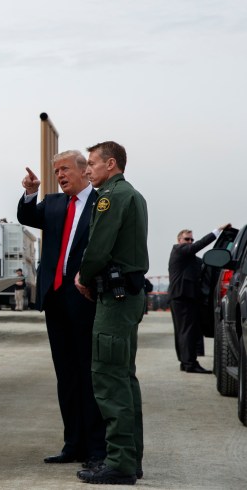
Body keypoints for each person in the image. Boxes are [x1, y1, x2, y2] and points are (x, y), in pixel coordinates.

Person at [17, 151, 106, 469]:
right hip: (54, 300)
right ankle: (72, 443)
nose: (60, 175)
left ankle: (96, 448)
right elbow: (27, 218)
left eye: (65, 169)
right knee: (65, 375)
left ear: (84, 171)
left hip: (86, 299)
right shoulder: (53, 204)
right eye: (56, 172)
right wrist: (30, 193)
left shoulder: (101, 203)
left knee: (88, 375)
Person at [75, 141, 148, 485]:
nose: (87, 170)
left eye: (91, 163)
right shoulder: (131, 195)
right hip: (126, 298)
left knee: (109, 378)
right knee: (124, 377)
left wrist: (83, 276)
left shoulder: (111, 197)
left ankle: (119, 462)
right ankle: (130, 459)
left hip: (115, 300)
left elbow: (98, 247)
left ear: (111, 164)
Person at [168, 225, 230, 373]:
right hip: (182, 297)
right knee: (187, 332)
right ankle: (190, 364)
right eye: (187, 239)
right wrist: (217, 231)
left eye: (191, 239)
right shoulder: (179, 250)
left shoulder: (190, 258)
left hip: (185, 298)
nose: (190, 242)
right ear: (179, 240)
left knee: (184, 332)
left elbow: (207, 264)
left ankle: (185, 362)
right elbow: (197, 246)